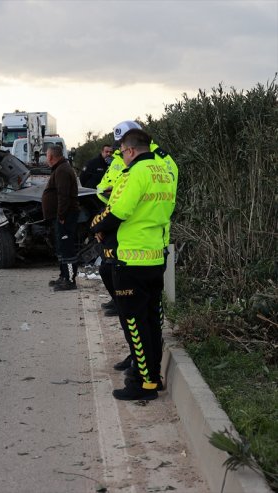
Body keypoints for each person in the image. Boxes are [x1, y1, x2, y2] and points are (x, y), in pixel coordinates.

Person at [90, 128, 176, 401]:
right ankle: (154, 377)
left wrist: (97, 225)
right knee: (151, 321)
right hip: (155, 256)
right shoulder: (165, 171)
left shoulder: (134, 173)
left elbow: (119, 211)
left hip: (131, 259)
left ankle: (144, 383)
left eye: (122, 153)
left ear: (129, 150)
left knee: (135, 326)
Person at [41, 144, 79, 291]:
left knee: (67, 248)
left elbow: (63, 195)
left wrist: (61, 215)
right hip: (63, 216)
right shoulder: (60, 169)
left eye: (46, 156)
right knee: (61, 248)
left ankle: (70, 280)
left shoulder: (62, 170)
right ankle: (63, 276)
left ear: (51, 157)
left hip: (66, 216)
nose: (46, 160)